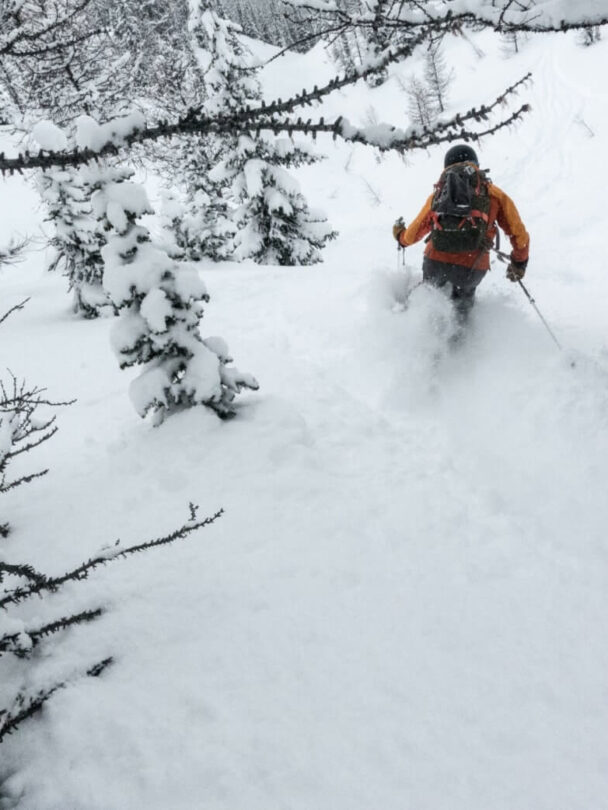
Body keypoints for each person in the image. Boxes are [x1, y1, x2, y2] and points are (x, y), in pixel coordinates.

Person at [392, 144, 530, 321]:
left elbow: (415, 231)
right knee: (463, 308)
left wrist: (401, 237)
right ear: (476, 165)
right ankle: (460, 339)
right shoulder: (494, 194)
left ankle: (417, 329)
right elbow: (518, 234)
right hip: (472, 267)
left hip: (436, 260)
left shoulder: (440, 194)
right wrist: (519, 263)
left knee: (429, 297)